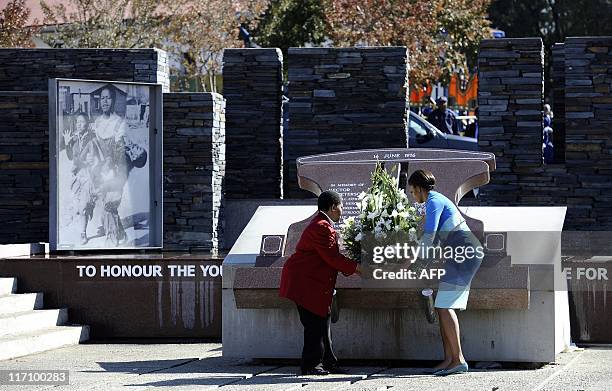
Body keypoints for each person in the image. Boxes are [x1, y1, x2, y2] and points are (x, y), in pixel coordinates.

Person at [408, 170, 483, 376]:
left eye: (413, 192)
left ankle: (458, 359)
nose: (413, 196)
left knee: (444, 305)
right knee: (443, 306)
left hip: (464, 253)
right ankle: (450, 359)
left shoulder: (433, 201)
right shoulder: (436, 200)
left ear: (421, 188)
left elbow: (430, 235)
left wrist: (418, 263)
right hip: (461, 253)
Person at [279, 191, 361, 376]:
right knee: (314, 325)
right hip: (304, 283)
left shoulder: (322, 224)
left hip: (311, 283)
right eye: (341, 207)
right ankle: (311, 365)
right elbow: (333, 259)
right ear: (333, 207)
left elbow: (330, 259)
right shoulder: (322, 227)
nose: (342, 211)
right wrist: (360, 269)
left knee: (322, 322)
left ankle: (328, 362)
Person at [93, 86, 129, 246]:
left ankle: (112, 240)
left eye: (108, 98)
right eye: (102, 98)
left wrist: (110, 165)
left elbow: (119, 150)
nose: (105, 101)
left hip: (116, 170)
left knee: (110, 204)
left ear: (113, 101)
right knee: (106, 205)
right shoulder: (97, 123)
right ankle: (120, 235)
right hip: (100, 171)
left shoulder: (119, 123)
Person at [62, 112, 99, 245]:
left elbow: (94, 159)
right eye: (77, 122)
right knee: (77, 205)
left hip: (88, 176)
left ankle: (83, 233)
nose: (79, 124)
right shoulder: (74, 138)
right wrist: (67, 144)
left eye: (82, 122)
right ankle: (86, 208)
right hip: (76, 176)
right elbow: (71, 157)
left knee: (83, 207)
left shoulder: (92, 138)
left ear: (87, 124)